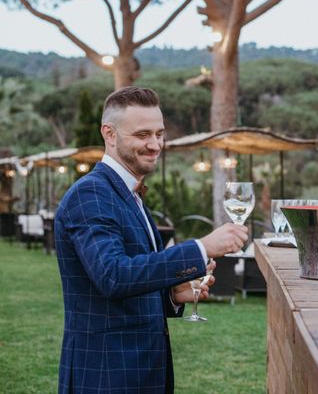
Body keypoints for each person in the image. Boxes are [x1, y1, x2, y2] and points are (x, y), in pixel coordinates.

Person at [55, 86, 248, 393]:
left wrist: (173, 294)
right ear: (110, 134)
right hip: (106, 373)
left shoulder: (131, 195)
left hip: (143, 371)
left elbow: (133, 276)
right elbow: (113, 276)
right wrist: (201, 248)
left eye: (159, 133)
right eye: (143, 134)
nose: (155, 144)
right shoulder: (90, 193)